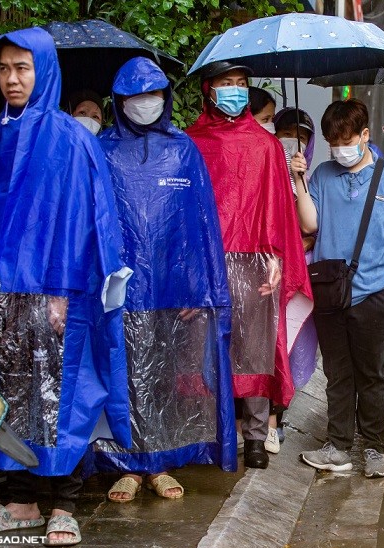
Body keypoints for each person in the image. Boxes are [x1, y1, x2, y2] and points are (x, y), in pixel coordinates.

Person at [0, 28, 131, 546]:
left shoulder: (72, 138)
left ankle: (65, 501)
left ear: (44, 70)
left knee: (63, 396)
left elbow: (89, 219)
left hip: (62, 293)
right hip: (4, 298)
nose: (12, 79)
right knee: (9, 394)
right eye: (4, 69)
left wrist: (64, 291)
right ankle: (20, 496)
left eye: (23, 67)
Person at [92, 57, 235, 502]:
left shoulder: (183, 150)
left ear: (166, 98)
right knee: (126, 375)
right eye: (135, 96)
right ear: (119, 101)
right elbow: (93, 221)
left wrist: (202, 287)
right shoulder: (102, 149)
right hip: (120, 289)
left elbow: (201, 225)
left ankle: (163, 462)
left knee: (169, 375)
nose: (144, 104)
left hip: (175, 291)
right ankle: (130, 464)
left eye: (152, 94)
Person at [186, 61, 311, 470]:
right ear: (209, 90)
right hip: (205, 263)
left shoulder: (266, 145)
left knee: (255, 352)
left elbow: (279, 209)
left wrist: (278, 258)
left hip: (255, 261)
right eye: (227, 84)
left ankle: (256, 436)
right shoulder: (190, 143)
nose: (235, 91)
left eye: (241, 84)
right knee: (203, 351)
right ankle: (209, 433)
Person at [296, 99, 384, 478]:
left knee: (372, 375)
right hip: (330, 292)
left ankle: (373, 449)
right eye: (333, 141)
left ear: (366, 135)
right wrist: (300, 182)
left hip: (376, 292)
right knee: (338, 373)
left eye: (346, 139)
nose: (340, 148)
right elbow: (309, 225)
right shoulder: (321, 174)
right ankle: (338, 447)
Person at [266, 106, 320, 454]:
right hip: (267, 273)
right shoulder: (264, 172)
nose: (291, 143)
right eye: (285, 134)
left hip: (298, 276)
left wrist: (297, 179)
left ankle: (278, 414)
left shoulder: (312, 181)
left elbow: (312, 228)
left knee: (290, 345)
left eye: (300, 137)